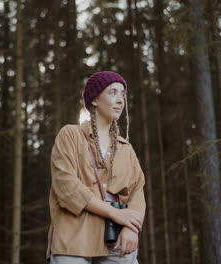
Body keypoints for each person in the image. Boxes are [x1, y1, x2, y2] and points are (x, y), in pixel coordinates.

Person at [47, 71, 146, 264]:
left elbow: (137, 192)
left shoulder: (126, 148)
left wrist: (132, 228)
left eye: (123, 94)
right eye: (113, 93)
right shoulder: (70, 135)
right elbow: (66, 187)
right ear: (94, 100)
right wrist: (114, 213)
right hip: (74, 233)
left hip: (116, 236)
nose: (120, 100)